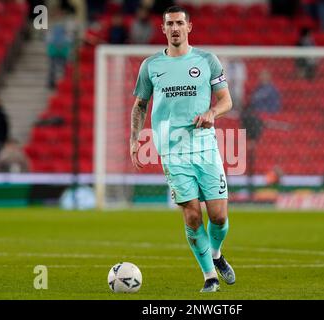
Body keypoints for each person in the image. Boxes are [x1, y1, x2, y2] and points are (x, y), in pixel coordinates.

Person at [130, 6, 234, 293]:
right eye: (169, 24)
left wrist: (213, 112)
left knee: (219, 217)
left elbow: (226, 100)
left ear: (189, 27)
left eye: (179, 23)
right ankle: (209, 276)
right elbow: (140, 105)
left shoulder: (207, 60)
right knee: (191, 215)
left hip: (205, 148)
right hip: (172, 152)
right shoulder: (150, 66)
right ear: (163, 29)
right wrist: (135, 138)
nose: (175, 28)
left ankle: (216, 254)